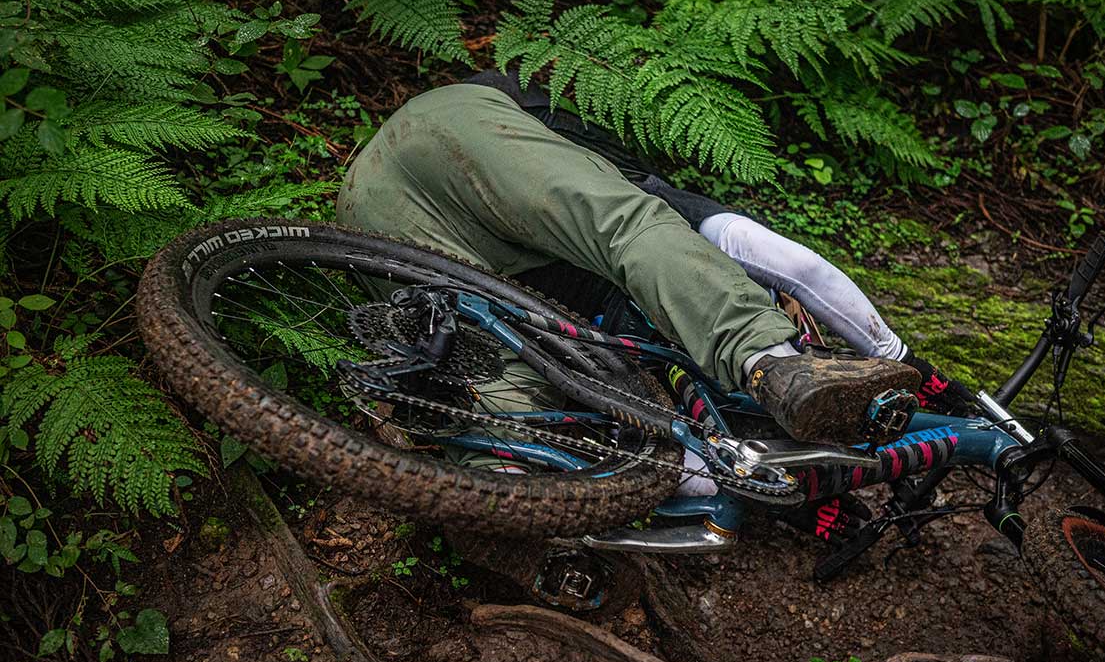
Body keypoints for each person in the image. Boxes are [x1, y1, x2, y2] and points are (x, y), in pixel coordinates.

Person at [336, 73, 973, 539]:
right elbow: (784, 262)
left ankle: (510, 513)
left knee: (505, 396)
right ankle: (771, 362)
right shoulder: (641, 187)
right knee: (626, 226)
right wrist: (904, 360)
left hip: (365, 212)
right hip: (445, 135)